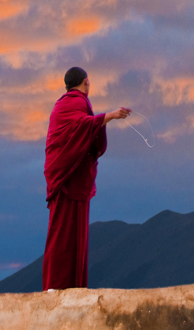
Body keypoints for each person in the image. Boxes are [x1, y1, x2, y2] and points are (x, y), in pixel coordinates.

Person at [42, 66, 131, 291]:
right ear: (85, 82)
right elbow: (81, 127)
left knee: (70, 233)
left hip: (70, 178)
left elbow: (82, 133)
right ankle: (55, 285)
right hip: (67, 180)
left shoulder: (63, 104)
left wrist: (99, 122)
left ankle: (71, 287)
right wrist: (109, 116)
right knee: (62, 233)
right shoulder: (76, 102)